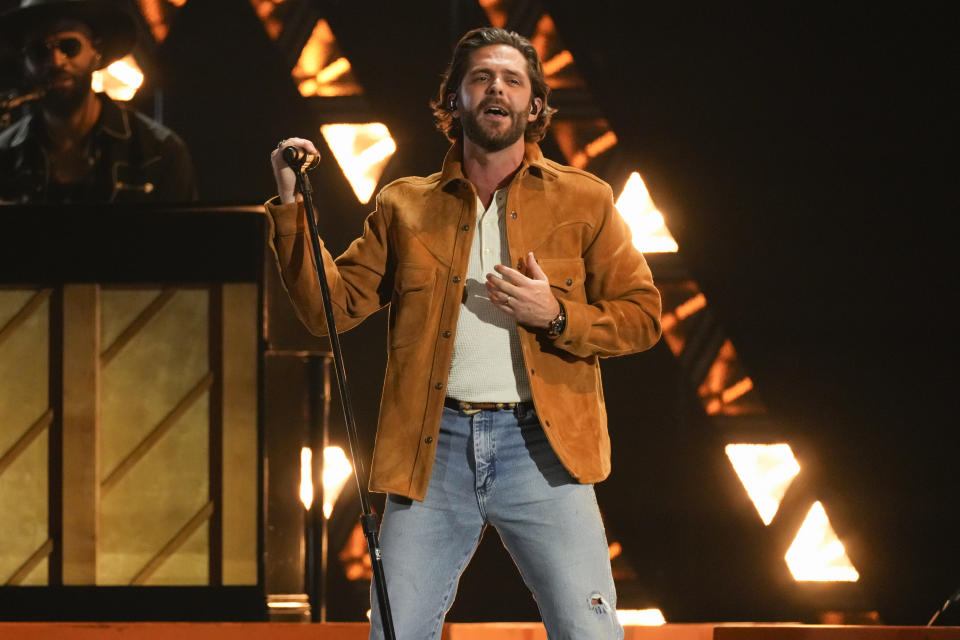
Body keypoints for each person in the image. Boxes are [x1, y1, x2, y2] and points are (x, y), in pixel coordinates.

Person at [267, 27, 661, 640]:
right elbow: (331, 308)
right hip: (434, 448)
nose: (495, 89)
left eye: (511, 80)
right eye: (480, 78)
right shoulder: (405, 206)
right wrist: (292, 205)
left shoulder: (586, 199)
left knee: (591, 634)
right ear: (454, 100)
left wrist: (554, 314)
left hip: (543, 449)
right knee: (395, 633)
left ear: (534, 107)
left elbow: (642, 315)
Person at [0, 0, 196, 203]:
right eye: (39, 51)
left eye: (70, 46)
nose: (56, 61)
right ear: (24, 64)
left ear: (96, 53)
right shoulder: (5, 156)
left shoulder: (160, 152)